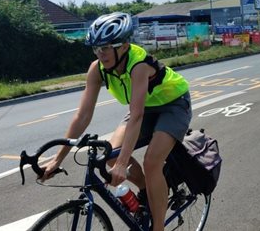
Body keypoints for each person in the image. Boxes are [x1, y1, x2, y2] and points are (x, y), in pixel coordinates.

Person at [41, 12, 192, 231]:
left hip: (173, 104)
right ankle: (148, 194)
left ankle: (158, 227)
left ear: (123, 46)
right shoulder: (97, 69)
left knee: (151, 163)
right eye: (96, 48)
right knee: (111, 156)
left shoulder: (138, 65)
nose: (100, 54)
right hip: (145, 107)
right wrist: (57, 159)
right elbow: (82, 116)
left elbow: (136, 114)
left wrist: (124, 164)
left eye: (105, 47)